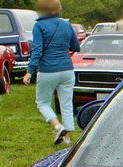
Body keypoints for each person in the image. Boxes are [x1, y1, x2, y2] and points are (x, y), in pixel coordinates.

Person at [22, 0, 80, 146]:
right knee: (66, 104)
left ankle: (57, 126)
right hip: (67, 69)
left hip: (48, 70)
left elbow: (37, 51)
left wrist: (29, 71)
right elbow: (76, 46)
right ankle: (66, 140)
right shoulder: (66, 24)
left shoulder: (39, 26)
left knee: (42, 102)